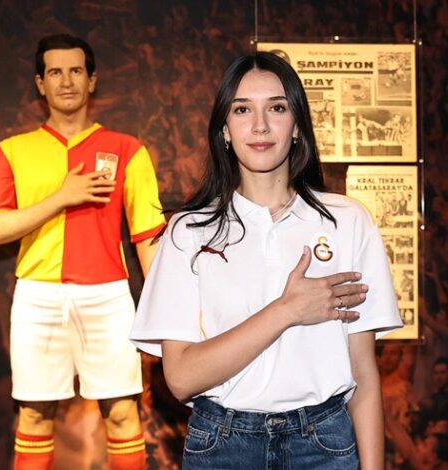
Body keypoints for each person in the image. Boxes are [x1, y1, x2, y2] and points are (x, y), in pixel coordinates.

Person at [130, 52, 403, 469]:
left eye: (276, 108)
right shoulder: (190, 230)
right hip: (221, 446)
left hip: (324, 445)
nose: (260, 125)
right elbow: (181, 378)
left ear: (297, 126)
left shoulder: (347, 221)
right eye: (243, 110)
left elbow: (363, 373)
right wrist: (287, 310)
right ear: (225, 129)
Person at [0, 33, 164, 470]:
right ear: (40, 84)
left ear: (92, 80)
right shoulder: (11, 152)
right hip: (37, 295)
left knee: (123, 413)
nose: (66, 81)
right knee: (34, 415)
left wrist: (164, 311)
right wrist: (61, 197)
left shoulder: (128, 150)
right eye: (55, 72)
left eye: (76, 70)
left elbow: (148, 236)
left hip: (108, 295)